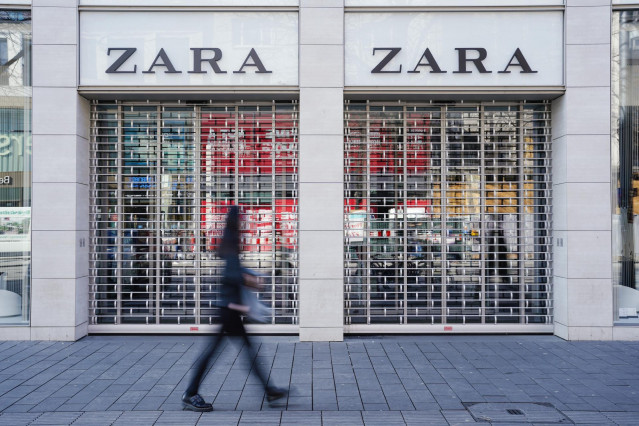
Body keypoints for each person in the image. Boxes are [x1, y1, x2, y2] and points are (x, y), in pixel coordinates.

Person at [182, 205, 287, 412]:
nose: (244, 222)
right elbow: (231, 275)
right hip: (229, 310)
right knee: (217, 352)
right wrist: (252, 281)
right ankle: (190, 393)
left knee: (244, 351)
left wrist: (247, 277)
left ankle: (270, 390)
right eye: (242, 218)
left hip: (230, 309)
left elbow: (233, 269)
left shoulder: (230, 240)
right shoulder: (230, 240)